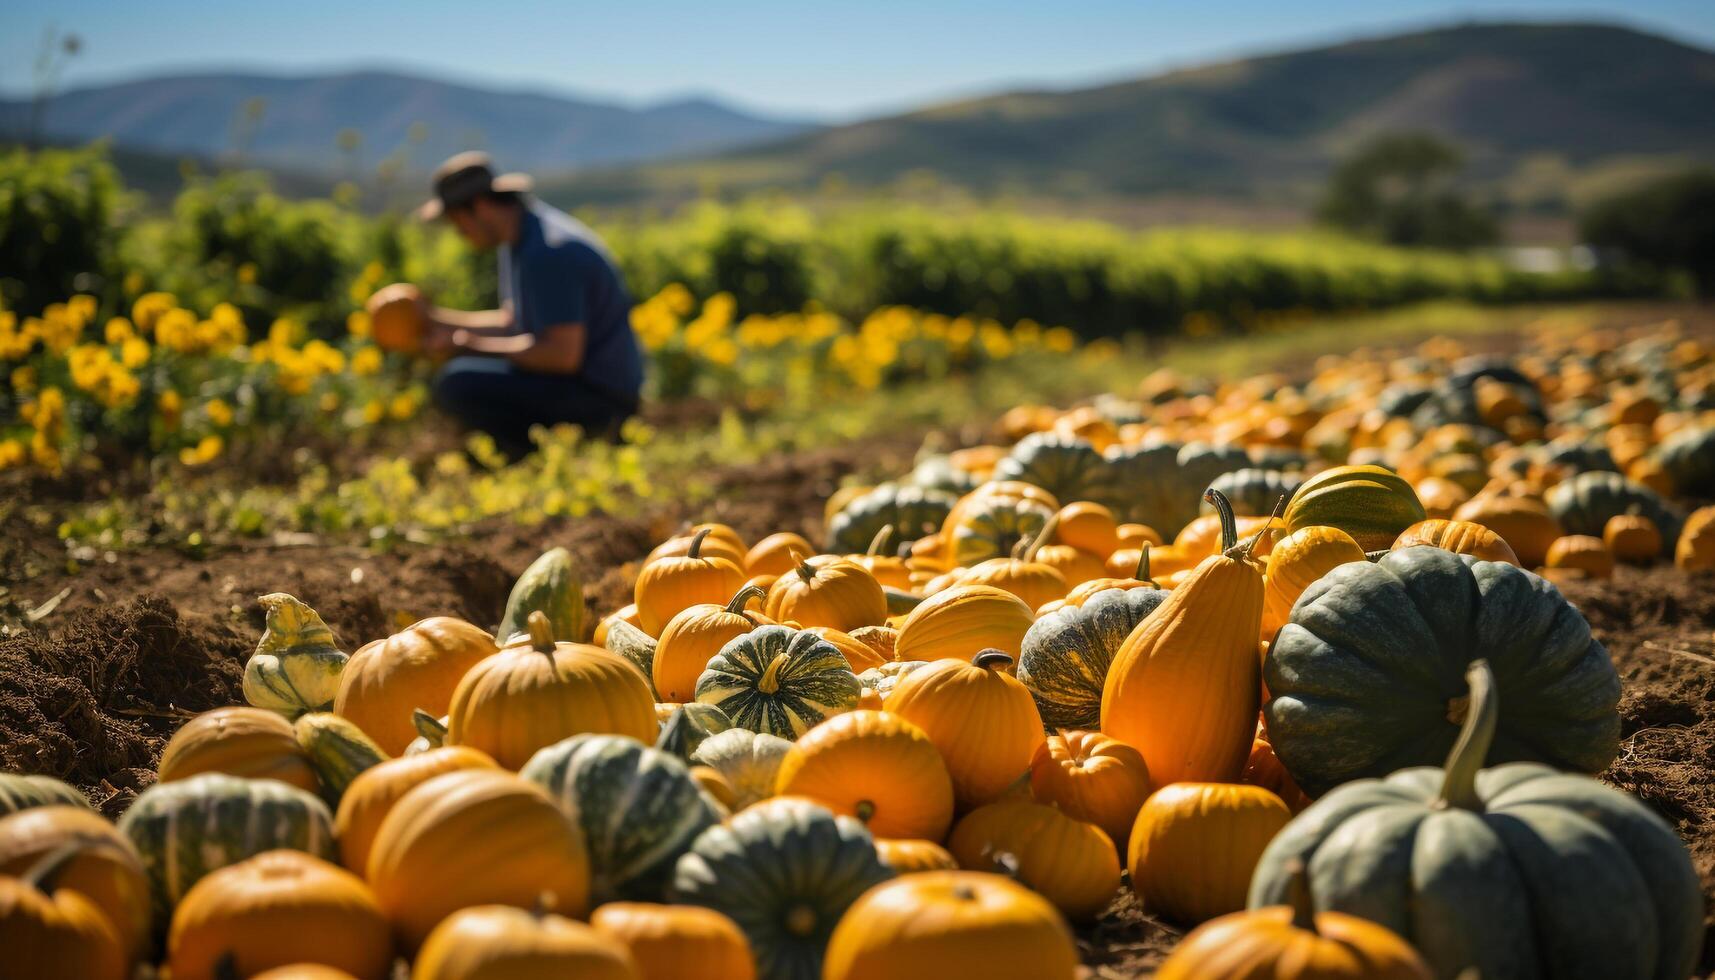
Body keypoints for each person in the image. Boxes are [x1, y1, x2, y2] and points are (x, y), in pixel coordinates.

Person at [370, 152, 643, 455]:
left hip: (602, 399)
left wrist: (466, 343)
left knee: (458, 384)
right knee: (463, 376)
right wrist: (434, 320)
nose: (461, 235)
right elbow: (513, 322)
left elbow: (562, 355)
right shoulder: (522, 239)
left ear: (481, 207)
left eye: (460, 225)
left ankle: (526, 455)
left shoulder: (548, 254)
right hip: (584, 385)